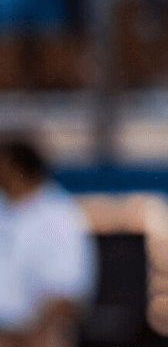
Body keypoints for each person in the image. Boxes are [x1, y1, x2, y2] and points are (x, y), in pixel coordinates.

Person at [0, 133, 96, 347]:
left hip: (34, 331)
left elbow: (66, 293)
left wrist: (27, 337)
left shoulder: (59, 215)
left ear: (13, 167)